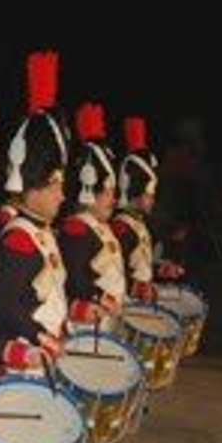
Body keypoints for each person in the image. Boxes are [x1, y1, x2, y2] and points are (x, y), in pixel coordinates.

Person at [0, 50, 71, 375]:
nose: (63, 196)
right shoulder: (19, 239)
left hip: (44, 353)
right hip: (25, 359)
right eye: (54, 186)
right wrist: (41, 337)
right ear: (32, 187)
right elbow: (6, 308)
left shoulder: (41, 232)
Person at [58, 102, 126, 329]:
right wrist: (100, 296)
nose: (114, 199)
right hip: (86, 325)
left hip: (105, 321)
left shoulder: (100, 226)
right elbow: (75, 278)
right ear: (88, 192)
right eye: (107, 193)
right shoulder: (76, 228)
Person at [112, 117, 185, 304]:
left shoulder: (139, 222)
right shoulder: (122, 227)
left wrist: (160, 269)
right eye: (149, 195)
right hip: (125, 302)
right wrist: (137, 287)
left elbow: (140, 265)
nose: (153, 200)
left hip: (139, 298)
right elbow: (117, 271)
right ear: (135, 193)